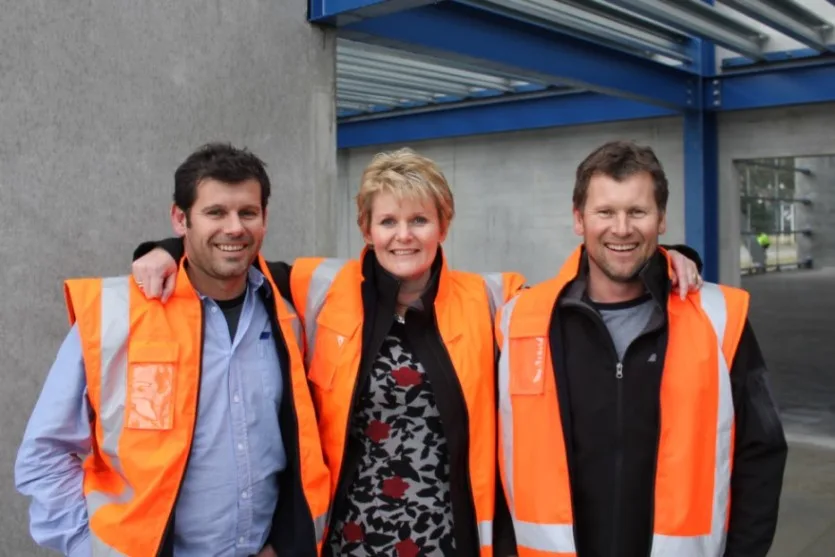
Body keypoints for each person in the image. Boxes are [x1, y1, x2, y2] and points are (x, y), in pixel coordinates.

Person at [131, 148, 704, 557]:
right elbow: (231, 257)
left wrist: (663, 255)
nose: (403, 236)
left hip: (447, 539)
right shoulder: (318, 288)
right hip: (349, 539)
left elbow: (589, 283)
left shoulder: (495, 299)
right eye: (388, 221)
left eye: (419, 220)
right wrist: (161, 249)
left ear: (443, 225)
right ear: (366, 227)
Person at [15, 143, 330, 557]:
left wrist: (284, 544)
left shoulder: (292, 306)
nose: (234, 227)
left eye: (247, 213)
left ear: (265, 218)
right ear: (180, 219)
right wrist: (92, 547)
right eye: (215, 212)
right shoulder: (116, 316)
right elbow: (44, 455)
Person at [494, 140, 788, 557]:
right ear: (579, 219)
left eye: (637, 211)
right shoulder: (519, 320)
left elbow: (762, 453)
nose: (621, 228)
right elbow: (489, 453)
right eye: (605, 212)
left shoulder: (721, 318)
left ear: (662, 219)